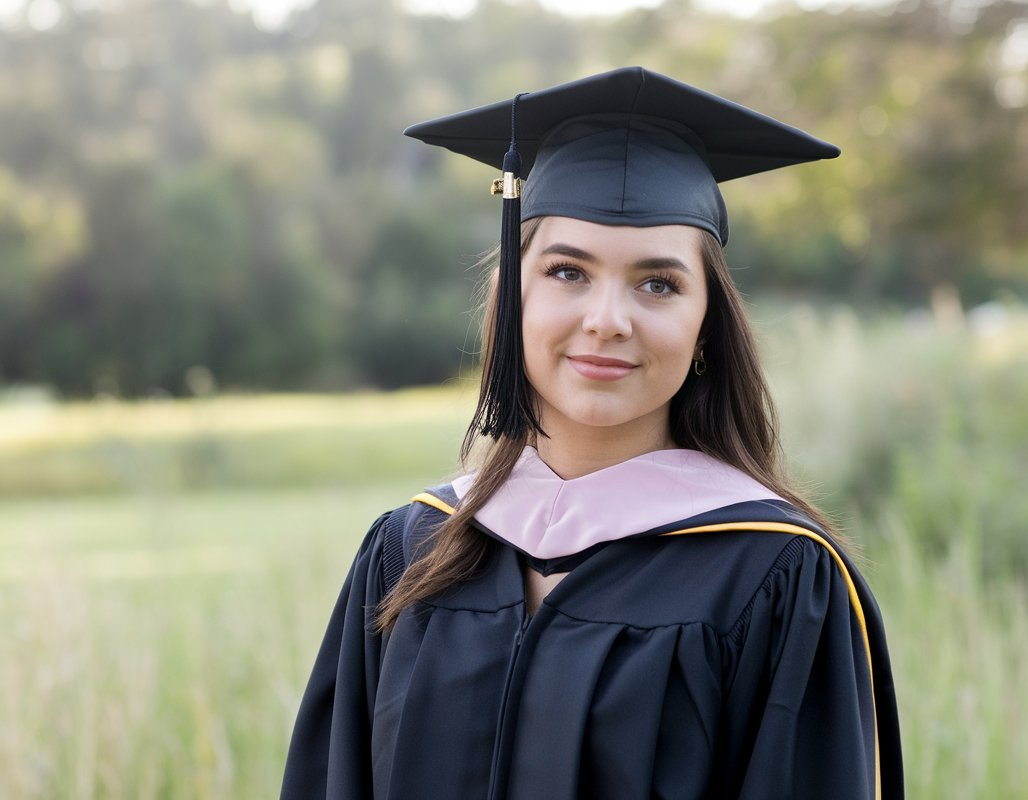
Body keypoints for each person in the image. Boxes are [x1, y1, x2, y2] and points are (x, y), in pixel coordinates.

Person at [281, 67, 902, 799]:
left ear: (707, 324)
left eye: (658, 283)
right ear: (514, 295)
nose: (608, 318)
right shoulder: (410, 551)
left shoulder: (774, 576)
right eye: (568, 272)